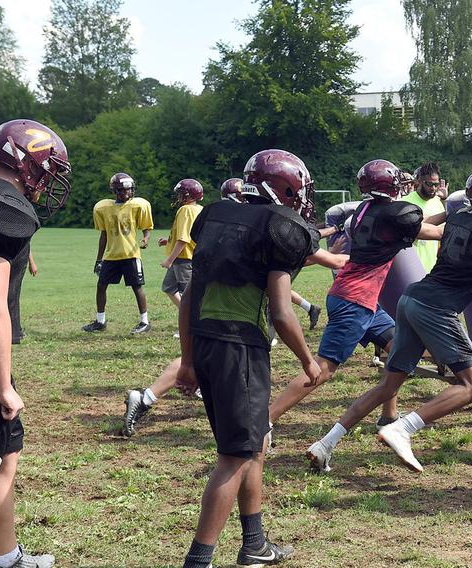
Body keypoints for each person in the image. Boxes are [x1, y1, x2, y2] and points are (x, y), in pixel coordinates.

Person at [309, 168, 472, 473]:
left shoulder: (459, 217)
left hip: (412, 299)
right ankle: (402, 428)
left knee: (389, 385)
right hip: (436, 308)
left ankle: (326, 443)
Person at [174, 149, 345, 568]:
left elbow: (190, 296)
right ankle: (198, 560)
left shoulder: (214, 215)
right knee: (234, 457)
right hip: (241, 349)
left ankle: (254, 544)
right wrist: (308, 361)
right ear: (285, 188)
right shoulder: (280, 227)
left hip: (207, 342)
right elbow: (283, 311)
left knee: (253, 447)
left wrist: (187, 359)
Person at [266, 159, 442, 472]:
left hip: (362, 300)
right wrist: (462, 214)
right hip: (354, 300)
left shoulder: (362, 211)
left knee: (398, 352)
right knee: (322, 369)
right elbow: (433, 231)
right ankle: (265, 421)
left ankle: (389, 415)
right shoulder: (392, 214)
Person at [0, 119, 72, 568]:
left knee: (8, 450)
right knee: (4, 455)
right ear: (28, 163)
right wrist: (4, 383)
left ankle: (5, 554)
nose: (48, 180)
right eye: (48, 168)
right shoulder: (7, 210)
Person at [120, 285, 343, 438]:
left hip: (216, 303)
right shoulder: (261, 228)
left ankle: (146, 397)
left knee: (203, 357)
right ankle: (256, 430)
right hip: (236, 312)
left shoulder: (220, 222)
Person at [220, 177, 323, 330]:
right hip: (256, 267)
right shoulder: (259, 216)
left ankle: (271, 330)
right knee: (275, 289)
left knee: (273, 293)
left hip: (257, 268)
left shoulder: (263, 218)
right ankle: (309, 308)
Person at [82, 173, 154, 334]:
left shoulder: (138, 206)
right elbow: (104, 235)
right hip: (111, 256)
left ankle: (145, 321)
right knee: (101, 286)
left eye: (129, 190)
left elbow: (146, 228)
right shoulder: (104, 207)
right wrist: (98, 259)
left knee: (137, 287)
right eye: (122, 190)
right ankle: (100, 321)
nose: (127, 193)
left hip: (131, 254)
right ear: (115, 191)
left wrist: (146, 239)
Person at [159, 179, 203, 337]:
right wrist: (168, 241)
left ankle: (192, 323)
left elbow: (184, 239)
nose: (178, 197)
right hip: (189, 256)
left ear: (188, 195)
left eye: (181, 194)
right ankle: (188, 317)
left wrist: (169, 259)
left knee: (188, 295)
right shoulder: (199, 209)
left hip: (184, 259)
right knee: (169, 287)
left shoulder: (185, 210)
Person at [401, 162, 447, 272]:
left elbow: (441, 239)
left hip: (432, 270)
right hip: (411, 270)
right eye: (429, 184)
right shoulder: (404, 203)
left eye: (436, 185)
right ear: (419, 181)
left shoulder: (437, 202)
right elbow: (421, 226)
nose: (433, 188)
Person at [7, 247, 35, 344]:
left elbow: (26, 238)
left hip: (19, 255)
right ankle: (15, 331)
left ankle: (15, 332)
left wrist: (31, 262)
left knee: (12, 294)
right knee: (10, 295)